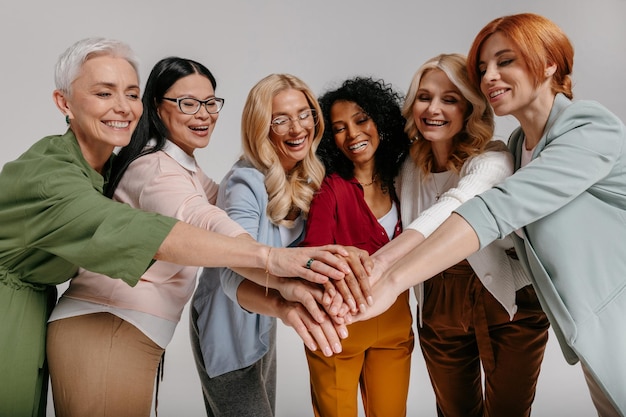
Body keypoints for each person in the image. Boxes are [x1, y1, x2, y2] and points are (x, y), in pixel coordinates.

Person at [0, 38, 359, 417]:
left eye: (210, 102)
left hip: (120, 330)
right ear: (158, 107)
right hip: (106, 326)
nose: (202, 114)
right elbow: (198, 220)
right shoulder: (154, 168)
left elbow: (225, 213)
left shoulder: (182, 168)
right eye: (187, 103)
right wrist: (271, 261)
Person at [360, 13, 626, 417]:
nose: (490, 76)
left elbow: (493, 209)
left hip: (613, 314)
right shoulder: (521, 145)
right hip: (586, 324)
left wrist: (389, 277)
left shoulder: (590, 128)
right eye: (483, 67)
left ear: (549, 62)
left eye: (505, 61)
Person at [371, 53, 549, 417]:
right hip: (438, 301)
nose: (433, 108)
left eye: (449, 99)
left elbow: (455, 207)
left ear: (470, 109)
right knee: (454, 411)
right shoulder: (406, 167)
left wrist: (383, 263)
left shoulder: (494, 159)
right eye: (424, 97)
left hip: (507, 300)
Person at [189, 73, 338, 417]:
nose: (297, 128)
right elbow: (230, 275)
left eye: (304, 114)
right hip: (224, 327)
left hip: (262, 318)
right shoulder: (246, 182)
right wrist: (287, 306)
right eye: (280, 119)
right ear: (262, 128)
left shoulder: (303, 176)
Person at [299, 77, 414, 417]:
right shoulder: (329, 188)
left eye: (361, 120)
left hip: (395, 324)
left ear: (379, 119)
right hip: (339, 329)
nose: (353, 135)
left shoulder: (403, 180)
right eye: (339, 128)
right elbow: (309, 257)